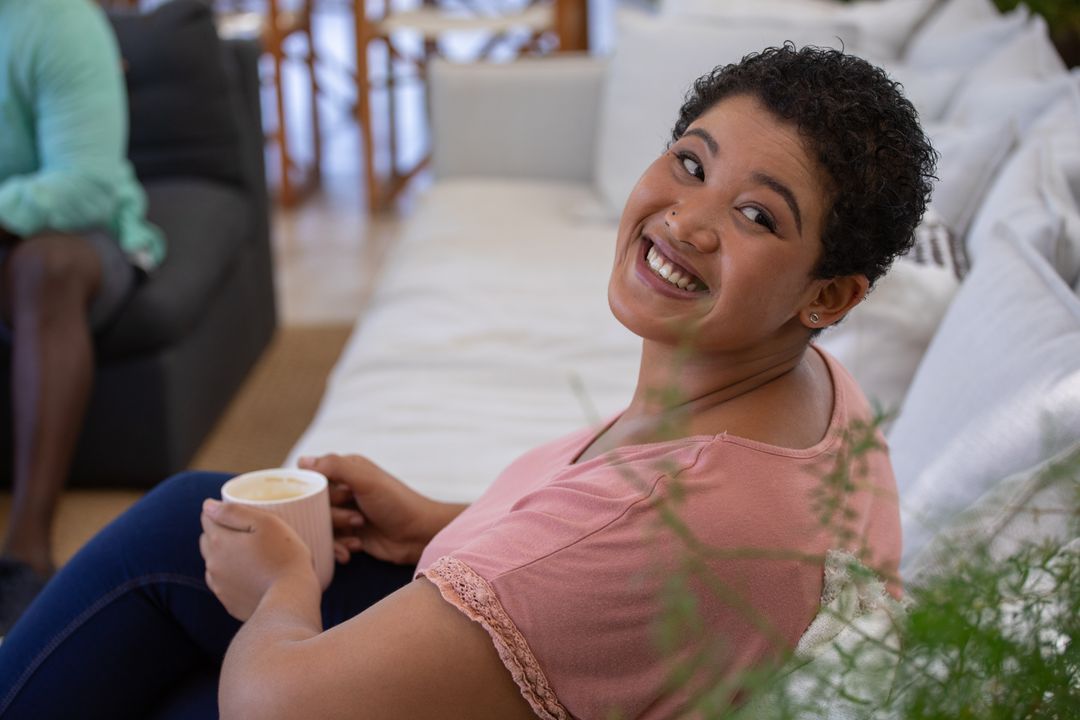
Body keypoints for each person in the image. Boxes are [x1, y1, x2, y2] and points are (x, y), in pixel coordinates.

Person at [0, 44, 934, 718]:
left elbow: (278, 705)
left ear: (831, 294)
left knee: (177, 657)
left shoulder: (667, 520)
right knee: (189, 519)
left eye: (756, 217)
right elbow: (585, 563)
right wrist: (436, 522)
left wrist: (284, 590)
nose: (685, 221)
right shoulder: (816, 393)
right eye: (690, 161)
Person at [0, 0, 166, 633]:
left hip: (84, 235)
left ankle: (26, 549)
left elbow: (86, 184)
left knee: (47, 267)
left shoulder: (57, 20)